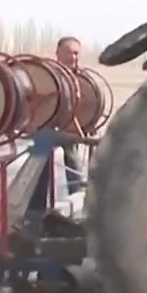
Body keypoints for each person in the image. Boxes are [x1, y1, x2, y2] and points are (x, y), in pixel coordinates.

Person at [54, 36, 86, 191]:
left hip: (72, 128)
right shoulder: (47, 75)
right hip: (47, 127)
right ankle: (36, 202)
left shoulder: (82, 79)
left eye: (76, 53)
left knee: (72, 154)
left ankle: (76, 191)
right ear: (58, 53)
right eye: (69, 52)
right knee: (39, 160)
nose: (73, 57)